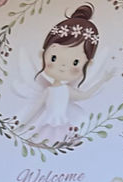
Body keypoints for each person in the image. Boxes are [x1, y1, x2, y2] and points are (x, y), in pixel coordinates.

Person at [20, 4, 113, 142]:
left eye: (75, 62)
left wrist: (103, 80)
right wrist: (22, 125)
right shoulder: (49, 91)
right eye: (54, 58)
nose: (62, 66)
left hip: (62, 128)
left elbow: (86, 95)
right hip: (48, 128)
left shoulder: (67, 91)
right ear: (42, 54)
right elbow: (35, 108)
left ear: (89, 64)